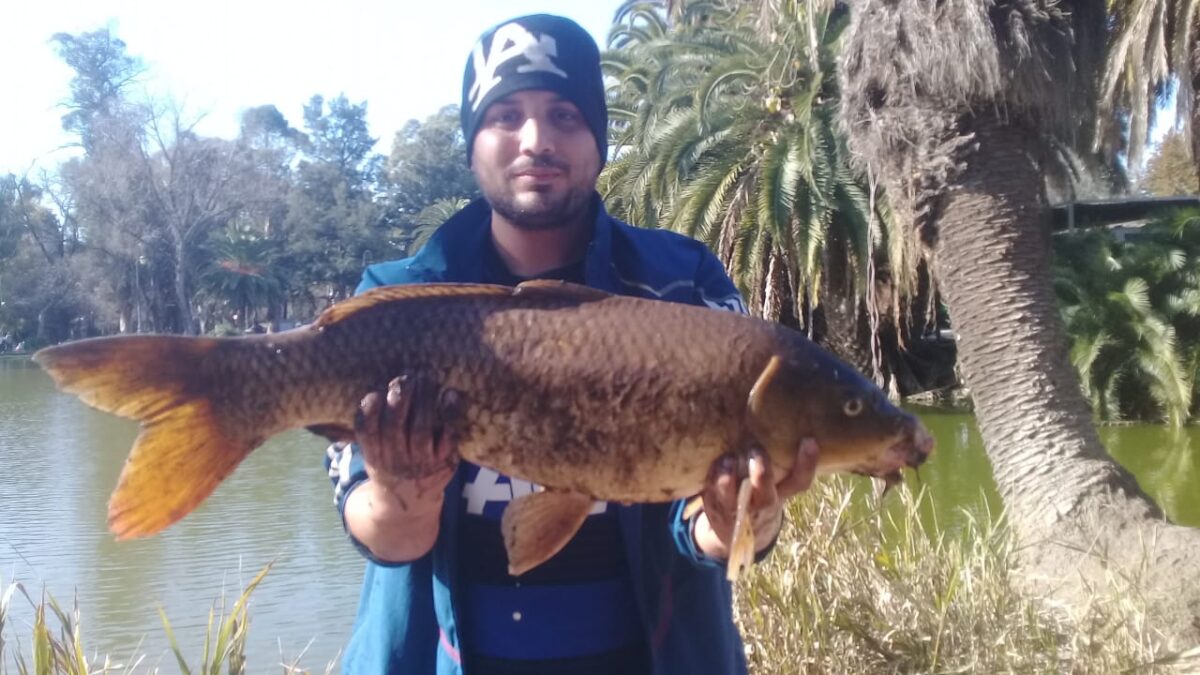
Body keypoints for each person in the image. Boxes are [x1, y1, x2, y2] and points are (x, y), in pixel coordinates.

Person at [324, 14, 819, 674]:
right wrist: (399, 496)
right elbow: (384, 533)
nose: (536, 140)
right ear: (473, 143)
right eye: (506, 115)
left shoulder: (681, 285)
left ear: (597, 138)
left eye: (564, 115)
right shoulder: (399, 301)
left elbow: (698, 527)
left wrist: (741, 522)